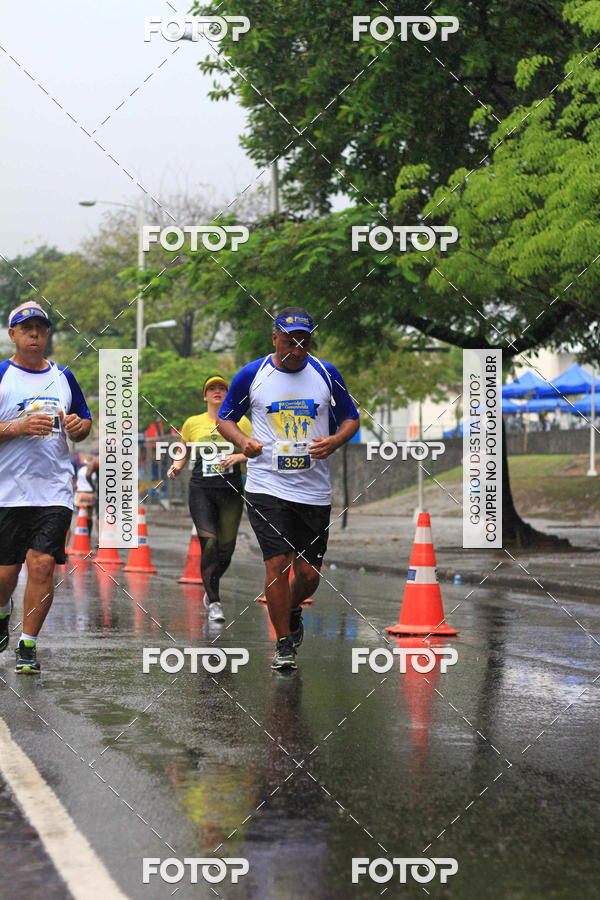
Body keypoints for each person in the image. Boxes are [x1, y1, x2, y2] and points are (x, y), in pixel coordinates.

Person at [217, 307, 360, 670]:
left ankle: (293, 610)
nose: (295, 349)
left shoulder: (327, 374)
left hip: (313, 491)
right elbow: (225, 419)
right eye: (288, 341)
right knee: (277, 564)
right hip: (267, 486)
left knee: (309, 574)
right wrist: (243, 441)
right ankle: (283, 643)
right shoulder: (253, 375)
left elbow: (351, 418)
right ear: (274, 339)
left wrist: (335, 441)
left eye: (303, 342)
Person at [0, 302, 92, 673]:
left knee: (41, 565)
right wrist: (18, 427)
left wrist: (76, 426)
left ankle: (28, 644)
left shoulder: (63, 377)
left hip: (53, 491)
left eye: (41, 328)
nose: (35, 334)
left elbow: (85, 423)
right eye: (27, 329)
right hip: (7, 491)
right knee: (5, 573)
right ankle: (4, 610)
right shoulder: (3, 374)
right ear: (13, 334)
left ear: (48, 333)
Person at [168, 375, 252, 622]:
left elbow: (255, 449)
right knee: (210, 542)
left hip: (231, 490)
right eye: (212, 389)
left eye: (222, 388)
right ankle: (214, 600)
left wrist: (238, 458)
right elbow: (182, 448)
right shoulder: (193, 422)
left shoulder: (242, 421)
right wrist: (176, 465)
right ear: (205, 396)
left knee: (226, 550)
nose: (217, 392)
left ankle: (211, 584)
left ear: (228, 394)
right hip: (201, 488)